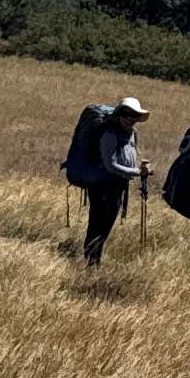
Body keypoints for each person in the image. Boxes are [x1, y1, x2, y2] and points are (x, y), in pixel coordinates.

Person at [63, 96, 147, 263]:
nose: (130, 118)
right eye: (126, 114)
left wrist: (137, 170)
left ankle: (93, 261)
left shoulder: (131, 133)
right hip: (102, 186)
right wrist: (137, 172)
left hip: (117, 186)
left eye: (134, 115)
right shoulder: (109, 134)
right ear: (119, 114)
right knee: (98, 225)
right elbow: (111, 165)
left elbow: (128, 157)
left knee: (105, 226)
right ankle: (91, 263)